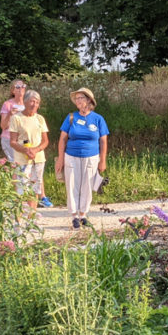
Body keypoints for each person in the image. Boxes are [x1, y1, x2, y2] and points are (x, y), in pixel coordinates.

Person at [56, 87, 108, 229]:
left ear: (89, 100)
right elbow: (62, 139)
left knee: (87, 186)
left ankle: (83, 214)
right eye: (76, 98)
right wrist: (60, 159)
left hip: (91, 157)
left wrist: (102, 160)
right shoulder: (71, 117)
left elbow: (103, 141)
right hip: (71, 156)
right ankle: (74, 216)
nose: (78, 101)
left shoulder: (98, 119)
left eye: (81, 98)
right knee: (72, 185)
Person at [0, 79, 53, 207]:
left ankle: (37, 206)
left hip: (35, 152)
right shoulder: (9, 107)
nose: (21, 88)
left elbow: (44, 138)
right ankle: (17, 205)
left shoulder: (37, 115)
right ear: (12, 90)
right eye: (17, 87)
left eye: (23, 86)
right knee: (21, 179)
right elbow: (4, 127)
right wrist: (9, 114)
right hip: (15, 144)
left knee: (35, 182)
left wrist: (35, 149)